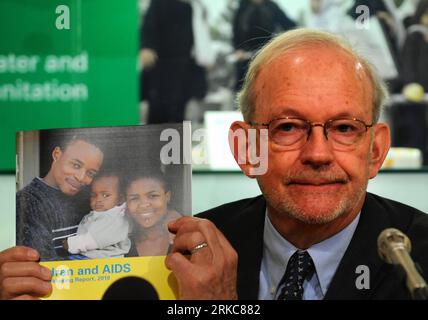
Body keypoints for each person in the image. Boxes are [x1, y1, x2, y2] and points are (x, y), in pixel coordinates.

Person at [2, 28, 428, 300]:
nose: (317, 154)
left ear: (375, 150)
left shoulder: (420, 261)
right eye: (287, 128)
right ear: (246, 149)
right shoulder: (180, 250)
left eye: (344, 128)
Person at [16, 135, 104, 261]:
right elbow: (43, 266)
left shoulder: (90, 198)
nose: (81, 177)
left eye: (90, 173)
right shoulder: (28, 202)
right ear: (57, 154)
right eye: (76, 165)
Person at [140, 0, 214, 124]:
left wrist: (206, 57)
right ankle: (153, 141)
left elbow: (201, 36)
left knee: (180, 110)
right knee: (158, 110)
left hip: (186, 65)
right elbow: (149, 26)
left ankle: (178, 141)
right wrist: (147, 47)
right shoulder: (159, 3)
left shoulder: (196, 7)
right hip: (161, 65)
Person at [63, 172, 131, 259]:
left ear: (120, 199)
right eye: (93, 195)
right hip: (89, 258)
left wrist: (71, 244)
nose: (98, 199)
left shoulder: (117, 219)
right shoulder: (102, 214)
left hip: (104, 261)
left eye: (106, 195)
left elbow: (95, 240)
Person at [232, 0, 296, 90]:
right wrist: (238, 49)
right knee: (244, 87)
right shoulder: (242, 7)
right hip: (245, 57)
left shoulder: (272, 6)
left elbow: (289, 26)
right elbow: (236, 33)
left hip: (267, 55)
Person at [125, 171, 182, 257]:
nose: (144, 205)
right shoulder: (120, 243)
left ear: (167, 197)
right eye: (134, 198)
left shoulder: (183, 236)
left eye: (153, 196)